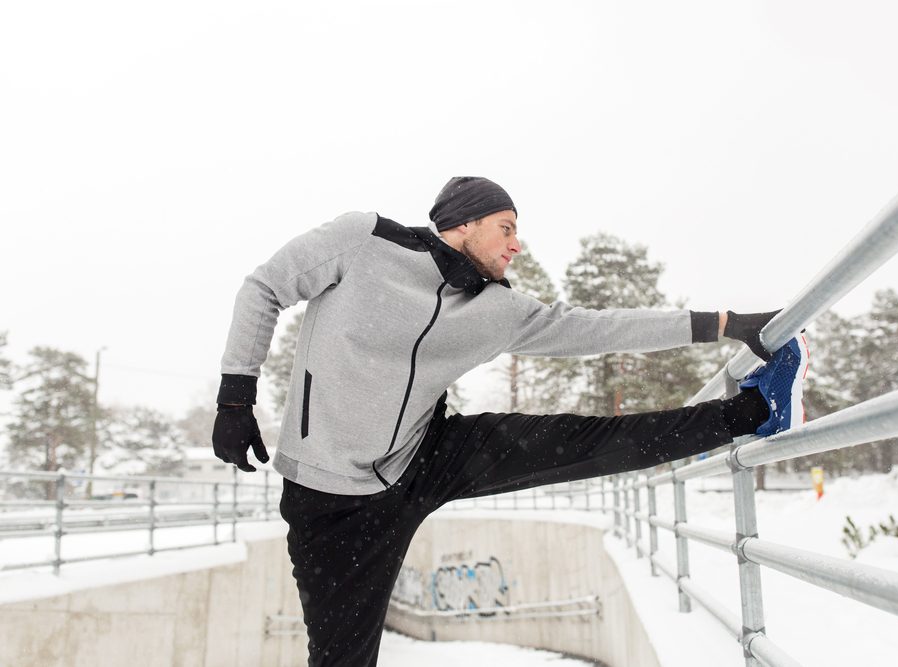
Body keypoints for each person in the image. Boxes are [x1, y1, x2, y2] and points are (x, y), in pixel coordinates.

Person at [212, 176, 809, 666]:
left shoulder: (496, 308)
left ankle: (755, 411)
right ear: (464, 223)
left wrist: (727, 323)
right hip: (328, 501)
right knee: (342, 660)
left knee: (585, 442)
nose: (516, 245)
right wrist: (235, 399)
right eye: (507, 228)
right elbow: (264, 287)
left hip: (424, 458)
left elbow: (597, 329)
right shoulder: (363, 242)